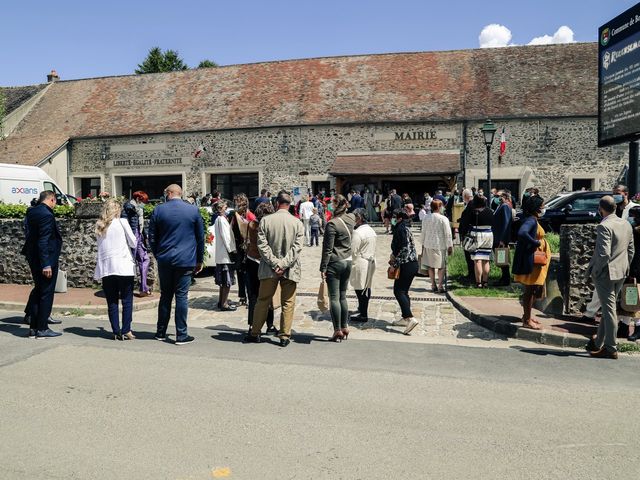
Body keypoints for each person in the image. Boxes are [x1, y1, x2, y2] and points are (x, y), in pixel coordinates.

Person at [244, 191, 304, 347]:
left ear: (277, 203)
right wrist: (283, 264)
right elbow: (297, 247)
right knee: (288, 302)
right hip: (289, 268)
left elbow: (262, 246)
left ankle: (255, 332)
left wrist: (275, 263)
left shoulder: (266, 221)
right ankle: (284, 335)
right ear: (289, 204)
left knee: (262, 300)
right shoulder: (297, 223)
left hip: (269, 268)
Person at [148, 184, 204, 345]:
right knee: (181, 296)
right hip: (186, 259)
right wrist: (199, 259)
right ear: (181, 193)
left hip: (165, 258)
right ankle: (181, 334)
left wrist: (158, 254)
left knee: (165, 295)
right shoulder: (193, 210)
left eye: (166, 192)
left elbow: (151, 236)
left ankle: (160, 332)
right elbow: (200, 238)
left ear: (170, 193)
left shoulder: (159, 210)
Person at [585, 196, 634, 359]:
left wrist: (596, 271)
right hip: (621, 270)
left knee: (609, 309)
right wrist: (625, 266)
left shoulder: (604, 226)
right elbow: (631, 250)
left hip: (606, 272)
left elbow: (603, 254)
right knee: (608, 308)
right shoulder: (626, 223)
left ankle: (611, 347)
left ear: (601, 209)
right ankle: (598, 342)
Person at [21, 190, 63, 339]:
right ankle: (42, 328)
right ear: (51, 199)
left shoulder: (32, 211)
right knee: (46, 293)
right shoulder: (47, 215)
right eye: (55, 201)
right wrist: (46, 264)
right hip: (45, 259)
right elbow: (43, 240)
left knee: (38, 291)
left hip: (33, 257)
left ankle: (34, 328)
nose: (55, 205)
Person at [94, 199, 137, 340]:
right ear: (117, 210)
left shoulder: (99, 225)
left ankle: (115, 331)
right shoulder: (122, 222)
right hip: (123, 266)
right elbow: (133, 242)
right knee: (127, 300)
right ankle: (126, 330)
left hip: (107, 267)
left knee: (112, 301)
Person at [320, 194, 356, 342]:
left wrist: (323, 267)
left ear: (335, 205)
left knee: (334, 297)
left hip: (335, 261)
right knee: (342, 296)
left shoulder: (332, 224)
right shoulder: (352, 218)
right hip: (348, 260)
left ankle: (337, 330)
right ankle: (345, 326)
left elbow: (327, 249)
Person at [512, 195, 550, 330]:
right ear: (536, 208)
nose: (544, 208)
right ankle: (527, 320)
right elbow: (522, 233)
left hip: (535, 259)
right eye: (542, 206)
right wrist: (535, 242)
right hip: (533, 260)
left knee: (534, 289)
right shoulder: (531, 221)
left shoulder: (531, 219)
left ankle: (526, 316)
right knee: (530, 290)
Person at [245, 201, 277, 335]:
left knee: (253, 295)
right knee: (268, 294)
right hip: (264, 262)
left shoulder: (251, 225)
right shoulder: (268, 226)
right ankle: (269, 325)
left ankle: (253, 325)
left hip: (251, 260)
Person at [389, 209, 420, 335]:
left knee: (398, 291)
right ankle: (405, 318)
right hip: (412, 263)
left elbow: (404, 249)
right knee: (404, 291)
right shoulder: (406, 228)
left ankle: (410, 318)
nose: (393, 219)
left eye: (395, 217)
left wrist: (394, 264)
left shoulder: (400, 229)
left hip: (406, 264)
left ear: (400, 218)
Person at [419, 199, 453, 293]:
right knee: (441, 266)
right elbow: (448, 233)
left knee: (431, 266)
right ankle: (440, 285)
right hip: (440, 245)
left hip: (428, 244)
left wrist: (422, 244)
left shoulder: (426, 217)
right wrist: (450, 245)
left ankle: (433, 284)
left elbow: (423, 231)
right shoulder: (443, 219)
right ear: (439, 207)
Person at [122, 190, 151, 296]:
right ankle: (126, 289)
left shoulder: (139, 210)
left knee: (145, 259)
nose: (145, 204)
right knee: (130, 263)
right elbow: (124, 225)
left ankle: (143, 288)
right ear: (138, 199)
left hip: (138, 237)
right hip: (132, 239)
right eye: (144, 201)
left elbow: (140, 225)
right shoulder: (128, 208)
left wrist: (144, 235)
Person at [350, 209, 377, 323]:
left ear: (359, 217)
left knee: (360, 289)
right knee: (366, 287)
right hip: (370, 261)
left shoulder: (358, 232)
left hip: (360, 262)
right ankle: (362, 309)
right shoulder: (371, 230)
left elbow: (353, 250)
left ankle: (363, 313)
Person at [230, 193, 255, 306]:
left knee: (247, 273)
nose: (236, 204)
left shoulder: (250, 215)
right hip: (239, 248)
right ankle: (242, 296)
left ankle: (249, 296)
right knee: (240, 272)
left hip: (247, 248)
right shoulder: (235, 216)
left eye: (237, 202)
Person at [214, 200, 238, 311]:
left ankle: (221, 301)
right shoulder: (222, 220)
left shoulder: (219, 219)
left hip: (221, 254)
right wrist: (232, 250)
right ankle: (224, 303)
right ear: (220, 209)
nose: (226, 208)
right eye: (225, 207)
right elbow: (226, 237)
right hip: (225, 254)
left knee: (223, 282)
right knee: (227, 282)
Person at [469, 195, 494, 288]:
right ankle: (485, 282)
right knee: (486, 259)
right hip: (488, 235)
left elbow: (469, 223)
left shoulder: (474, 212)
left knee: (477, 260)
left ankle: (478, 282)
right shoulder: (490, 211)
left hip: (477, 235)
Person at [491, 190, 513, 286]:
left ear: (505, 196)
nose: (498, 197)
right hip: (497, 236)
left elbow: (506, 223)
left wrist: (503, 240)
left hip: (500, 237)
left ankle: (505, 279)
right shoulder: (500, 205)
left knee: (502, 259)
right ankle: (504, 278)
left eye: (499, 196)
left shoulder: (505, 206)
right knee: (500, 259)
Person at [457, 188, 476, 284]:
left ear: (465, 197)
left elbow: (468, 219)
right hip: (469, 234)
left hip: (469, 235)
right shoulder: (471, 204)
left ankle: (472, 275)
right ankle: (471, 274)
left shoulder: (471, 205)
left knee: (469, 256)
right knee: (469, 256)